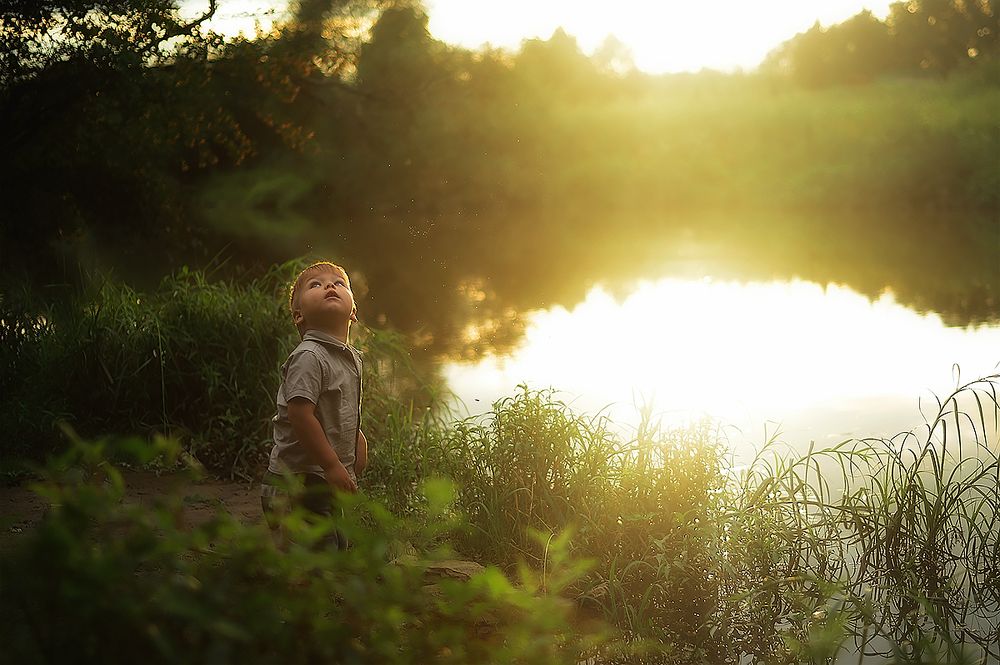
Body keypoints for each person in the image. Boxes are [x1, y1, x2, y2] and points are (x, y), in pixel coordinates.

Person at [260, 261, 368, 550]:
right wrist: (333, 464)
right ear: (298, 315)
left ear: (353, 312)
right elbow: (300, 414)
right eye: (316, 285)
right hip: (298, 479)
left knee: (338, 545)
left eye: (339, 283)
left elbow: (339, 408)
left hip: (321, 476)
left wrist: (356, 438)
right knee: (316, 552)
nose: (330, 286)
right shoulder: (309, 356)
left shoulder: (351, 358)